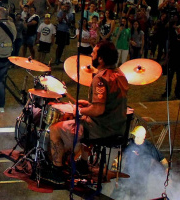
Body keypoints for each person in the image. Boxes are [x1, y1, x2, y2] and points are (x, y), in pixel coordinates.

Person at [49, 41, 129, 171]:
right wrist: (88, 105)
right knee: (84, 120)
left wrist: (79, 111)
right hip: (118, 127)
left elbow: (98, 110)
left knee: (55, 129)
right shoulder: (120, 74)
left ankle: (57, 170)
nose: (91, 54)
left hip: (102, 129)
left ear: (101, 59)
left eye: (94, 52)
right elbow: (109, 103)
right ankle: (83, 163)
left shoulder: (100, 78)